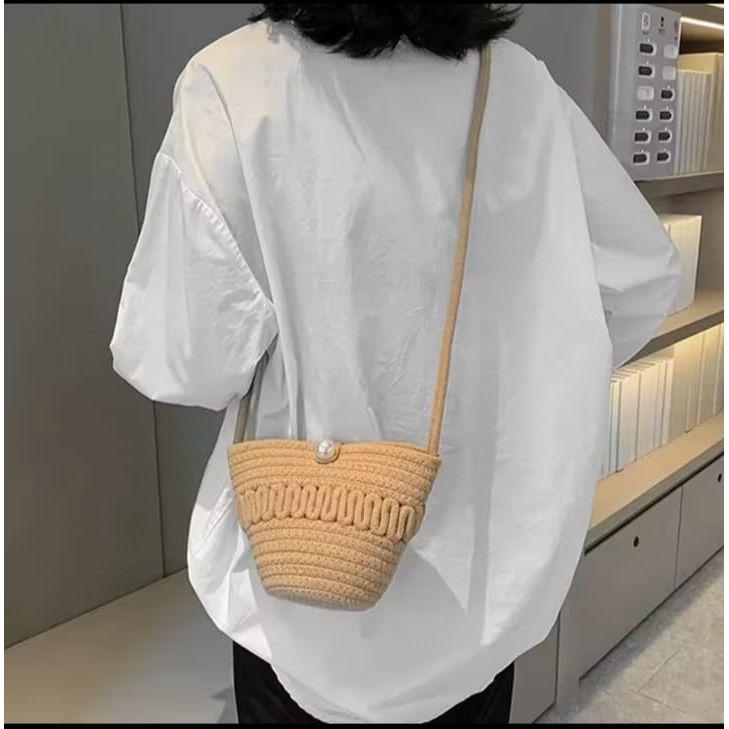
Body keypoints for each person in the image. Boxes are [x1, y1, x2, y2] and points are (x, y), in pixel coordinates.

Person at [110, 3, 681, 724]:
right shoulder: (516, 86)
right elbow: (641, 280)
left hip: (299, 574)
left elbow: (182, 361)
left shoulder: (231, 83)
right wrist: (525, 374)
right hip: (481, 584)